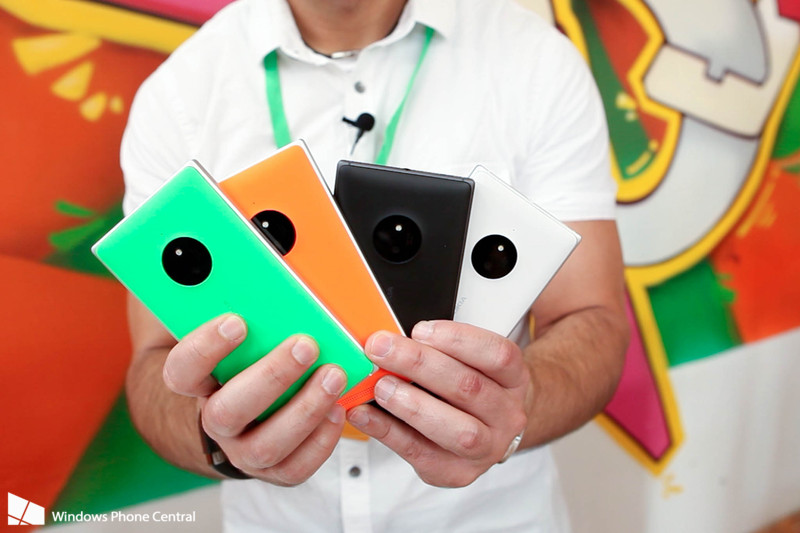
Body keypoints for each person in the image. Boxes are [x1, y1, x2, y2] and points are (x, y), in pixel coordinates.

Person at [120, 0, 630, 531]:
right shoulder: (178, 94)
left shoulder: (535, 61)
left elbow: (590, 316)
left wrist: (515, 409)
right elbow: (154, 362)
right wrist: (216, 436)